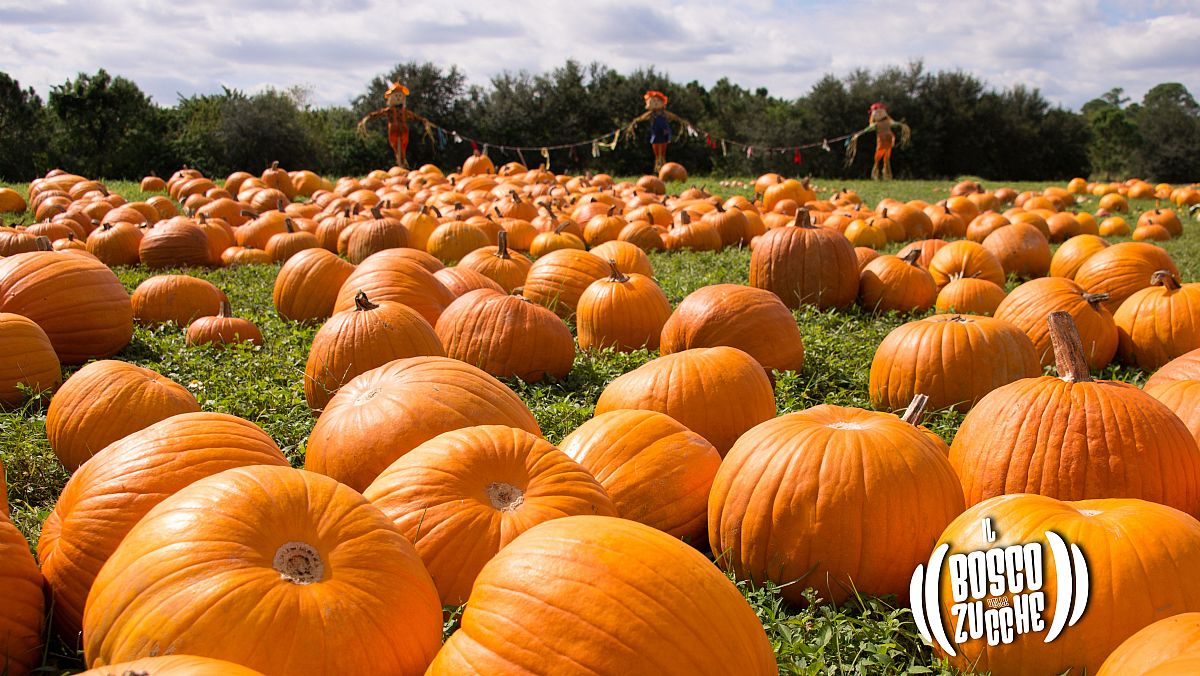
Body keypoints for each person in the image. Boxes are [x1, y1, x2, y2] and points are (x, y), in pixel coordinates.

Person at [357, 82, 431, 169]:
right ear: (391, 98)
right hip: (393, 130)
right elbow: (379, 113)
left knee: (403, 147)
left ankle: (402, 163)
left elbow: (414, 116)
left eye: (400, 96)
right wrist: (368, 117)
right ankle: (400, 164)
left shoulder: (404, 111)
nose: (398, 97)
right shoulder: (389, 110)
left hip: (403, 130)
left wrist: (423, 120)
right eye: (396, 96)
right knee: (396, 147)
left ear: (403, 98)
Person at [846, 102, 911, 180]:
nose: (879, 113)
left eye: (881, 111)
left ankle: (886, 174)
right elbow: (867, 129)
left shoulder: (888, 122)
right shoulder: (876, 125)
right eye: (877, 112)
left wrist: (902, 125)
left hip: (888, 140)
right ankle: (877, 172)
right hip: (881, 141)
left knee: (887, 157)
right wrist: (858, 134)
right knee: (878, 157)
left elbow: (895, 124)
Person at [628, 91, 686, 172]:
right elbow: (642, 117)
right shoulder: (651, 114)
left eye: (657, 101)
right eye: (653, 101)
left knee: (663, 152)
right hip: (655, 134)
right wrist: (635, 121)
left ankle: (663, 167)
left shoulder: (664, 114)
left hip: (664, 133)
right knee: (656, 152)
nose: (655, 103)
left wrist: (681, 120)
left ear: (662, 103)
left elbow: (674, 117)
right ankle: (658, 167)